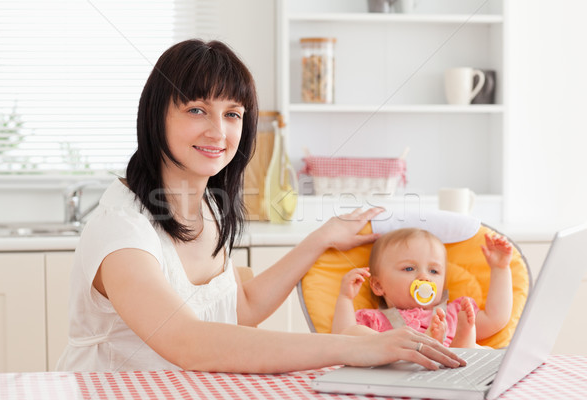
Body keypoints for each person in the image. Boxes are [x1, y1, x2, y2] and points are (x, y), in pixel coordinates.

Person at [56, 39, 465, 373]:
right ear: (155, 115)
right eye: (196, 109)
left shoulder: (209, 210)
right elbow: (188, 342)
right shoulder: (122, 230)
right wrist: (348, 347)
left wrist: (321, 239)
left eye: (232, 114)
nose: (218, 131)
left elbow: (240, 309)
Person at [332, 228, 513, 348]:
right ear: (379, 285)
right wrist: (345, 299)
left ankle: (462, 341)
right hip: (399, 372)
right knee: (356, 334)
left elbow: (496, 318)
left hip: (451, 373)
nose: (424, 277)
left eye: (434, 271)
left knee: (473, 346)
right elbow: (341, 339)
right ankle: (429, 345)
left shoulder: (454, 314)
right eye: (409, 268)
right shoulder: (374, 319)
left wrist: (500, 269)